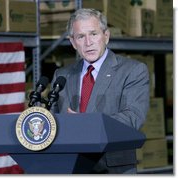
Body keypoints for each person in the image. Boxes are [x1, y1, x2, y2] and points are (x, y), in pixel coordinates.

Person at [49, 8, 150, 174]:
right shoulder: (62, 75)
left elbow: (133, 118)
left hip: (112, 167)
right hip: (70, 166)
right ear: (73, 42)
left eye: (94, 34)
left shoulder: (133, 70)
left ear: (106, 36)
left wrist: (87, 124)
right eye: (81, 36)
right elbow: (53, 119)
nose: (88, 42)